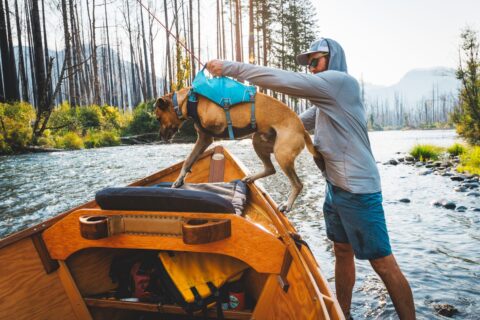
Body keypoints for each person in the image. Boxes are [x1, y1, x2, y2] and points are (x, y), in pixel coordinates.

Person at [206, 38, 415, 319]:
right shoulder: (324, 106)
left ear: (333, 60)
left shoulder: (341, 83)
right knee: (342, 250)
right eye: (309, 65)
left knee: (383, 264)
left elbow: (282, 79)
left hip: (358, 190)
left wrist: (230, 68)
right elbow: (288, 124)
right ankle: (343, 314)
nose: (312, 69)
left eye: (315, 62)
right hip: (335, 187)